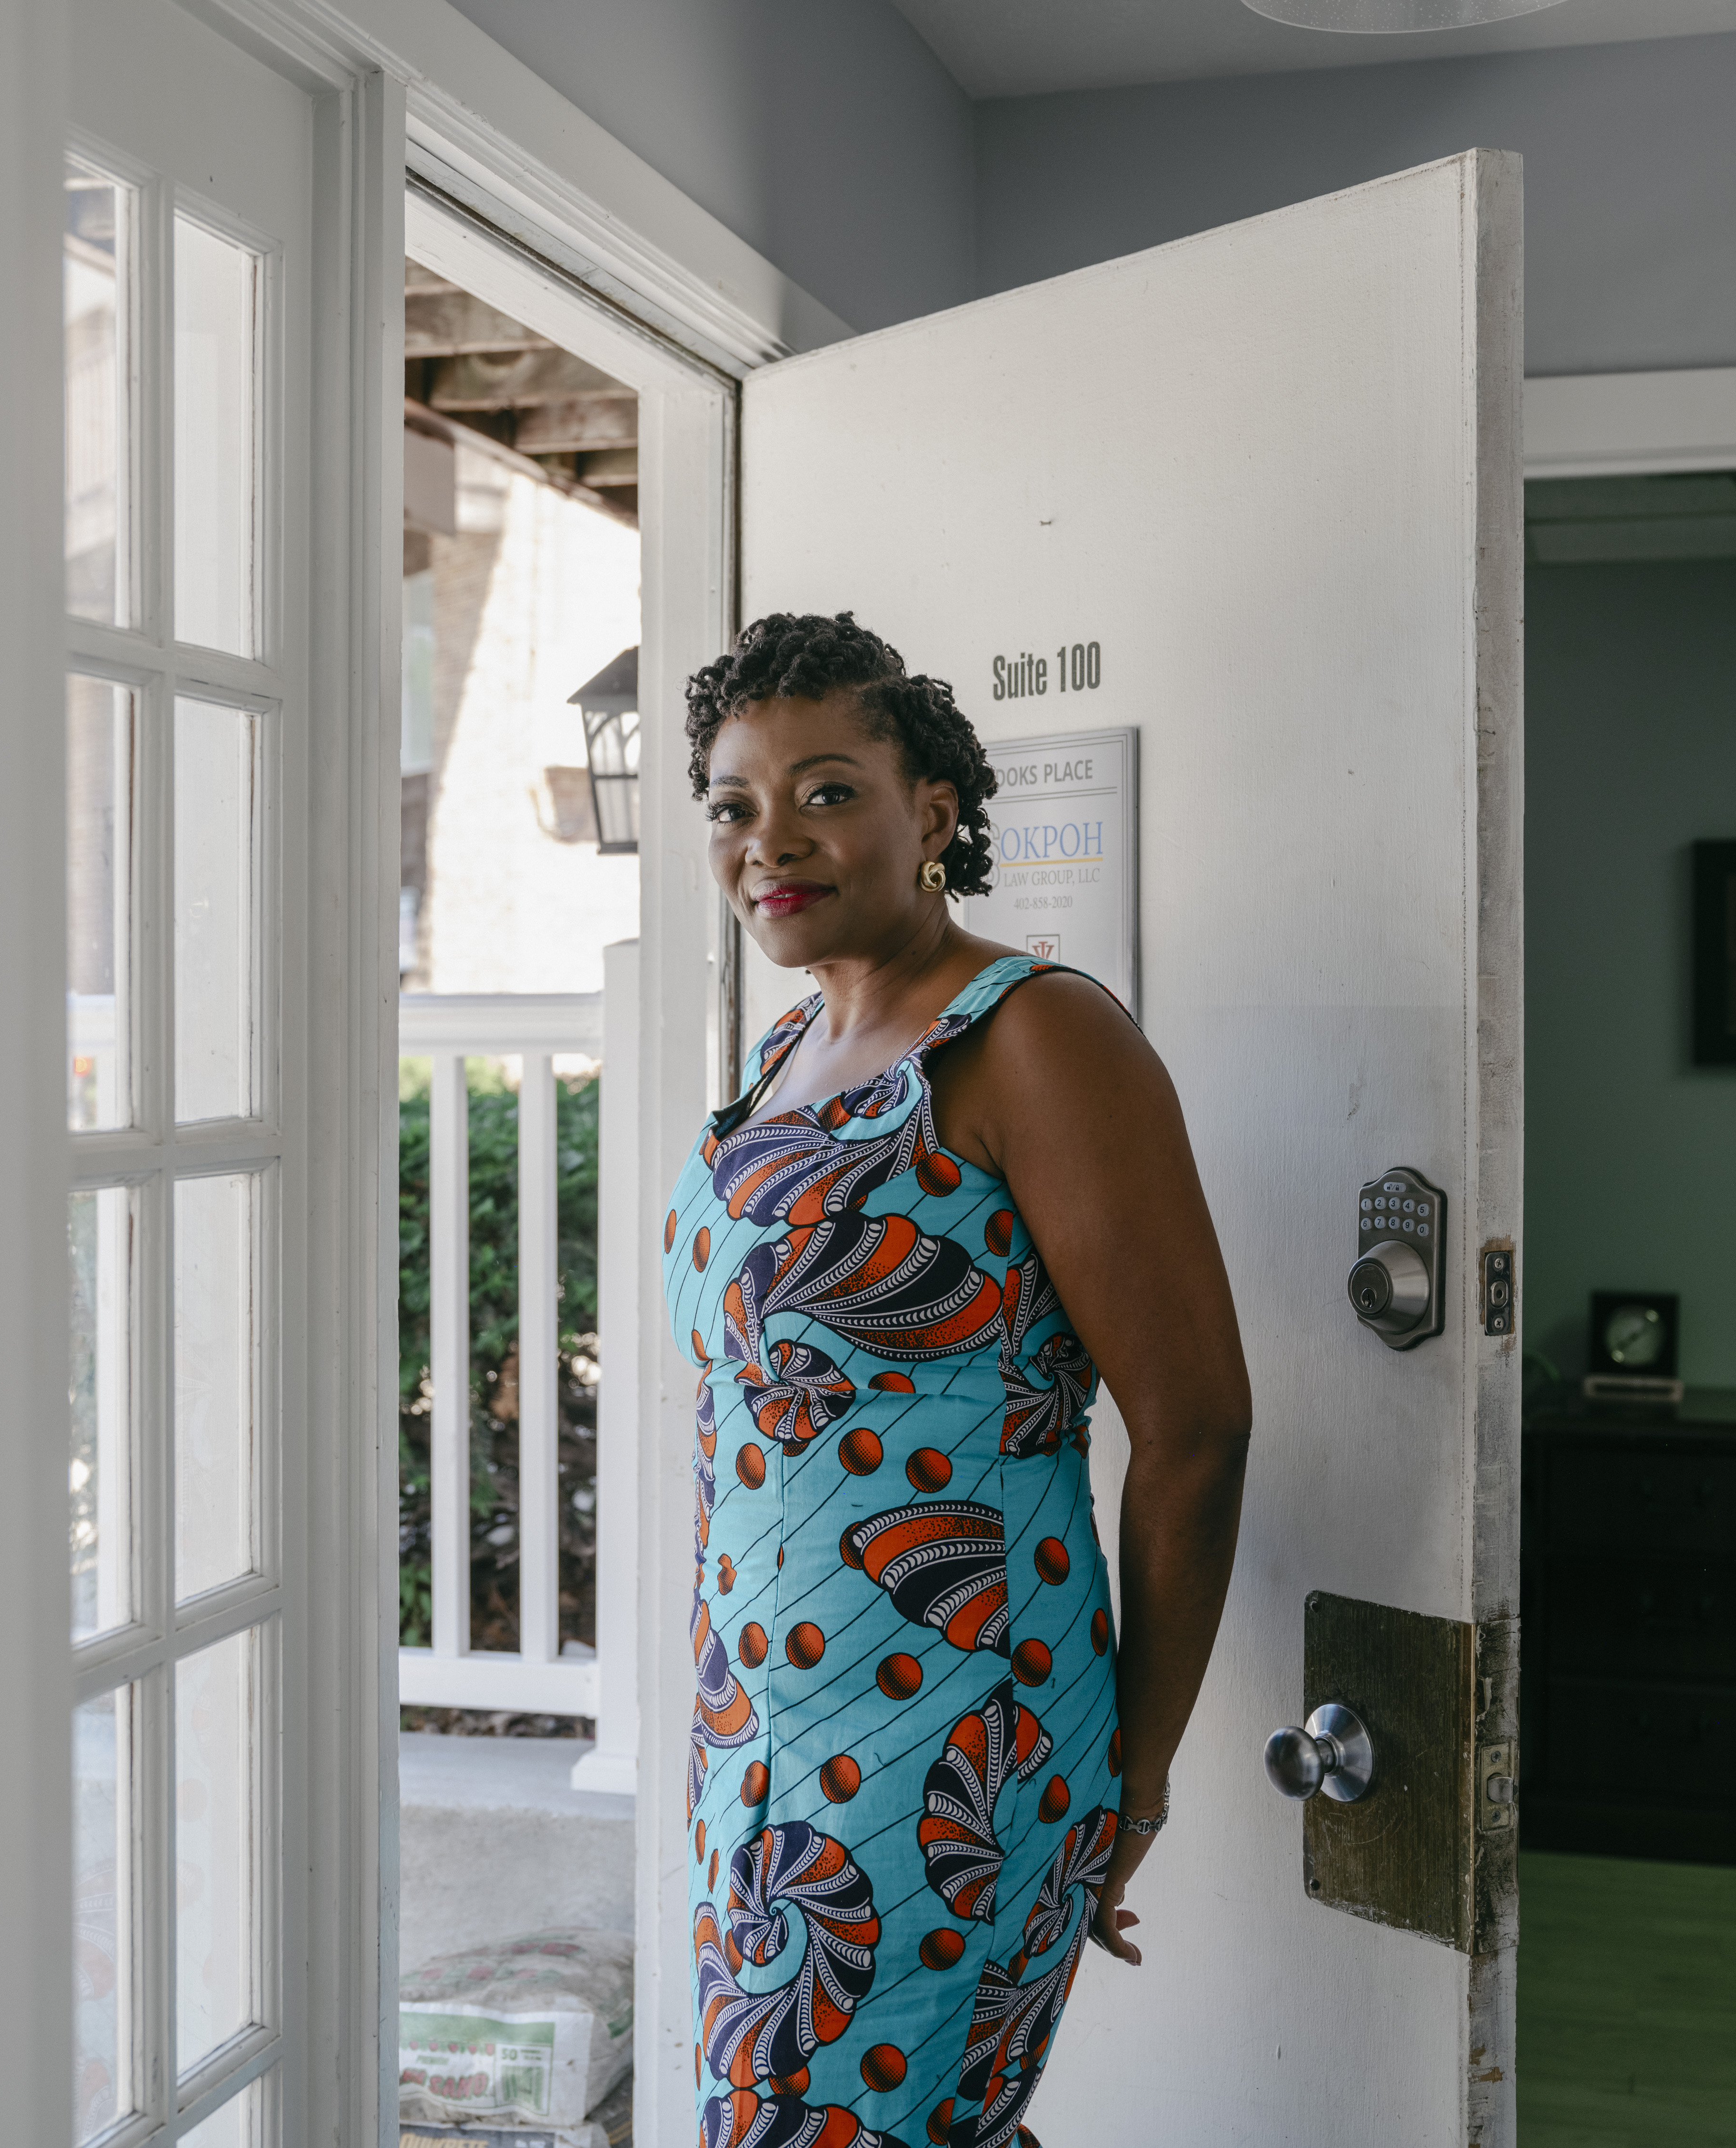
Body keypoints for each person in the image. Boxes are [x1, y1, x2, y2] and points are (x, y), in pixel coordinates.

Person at [666, 612, 1255, 2148]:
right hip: (758, 1740)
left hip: (948, 1754)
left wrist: (1134, 1780)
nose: (769, 838)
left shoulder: (1035, 1039)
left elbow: (1197, 1430)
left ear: (932, 812)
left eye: (827, 790)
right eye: (733, 803)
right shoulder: (795, 1045)